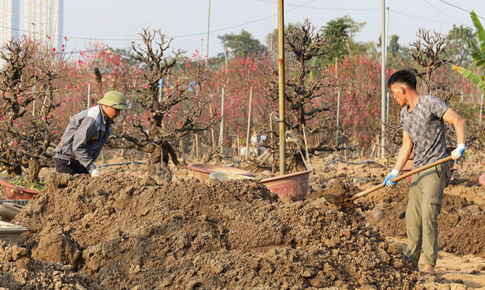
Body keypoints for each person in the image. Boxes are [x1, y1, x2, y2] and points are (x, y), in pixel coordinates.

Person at [383, 70, 466, 274]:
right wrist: (395, 171)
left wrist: (460, 145)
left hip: (436, 165)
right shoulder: (405, 113)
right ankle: (411, 260)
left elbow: (458, 121)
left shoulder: (431, 103)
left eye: (394, 93)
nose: (394, 98)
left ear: (402, 89)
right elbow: (406, 145)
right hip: (419, 168)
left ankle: (429, 264)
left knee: (429, 214)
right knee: (412, 217)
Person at [54, 91, 129, 176]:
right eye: (116, 110)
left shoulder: (105, 122)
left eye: (120, 110)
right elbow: (78, 147)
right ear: (105, 105)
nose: (119, 113)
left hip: (80, 163)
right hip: (68, 162)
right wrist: (92, 168)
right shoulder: (92, 119)